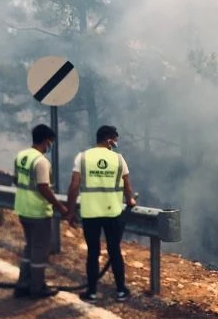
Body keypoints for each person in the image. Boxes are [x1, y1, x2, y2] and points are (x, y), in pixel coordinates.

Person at [67, 125, 137, 302]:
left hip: (90, 213)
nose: (115, 143)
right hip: (113, 213)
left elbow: (74, 185)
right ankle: (121, 290)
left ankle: (91, 292)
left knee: (93, 252)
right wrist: (130, 201)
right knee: (114, 251)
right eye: (115, 140)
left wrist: (70, 210)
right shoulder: (119, 159)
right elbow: (127, 184)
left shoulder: (82, 157)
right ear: (109, 139)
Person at [13, 124, 70, 298]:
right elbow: (44, 188)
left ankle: (23, 283)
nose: (50, 146)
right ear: (46, 141)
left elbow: (17, 180)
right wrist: (60, 206)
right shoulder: (41, 162)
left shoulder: (21, 156)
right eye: (50, 142)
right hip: (38, 212)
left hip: (22, 209)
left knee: (29, 248)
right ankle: (37, 287)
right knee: (40, 250)